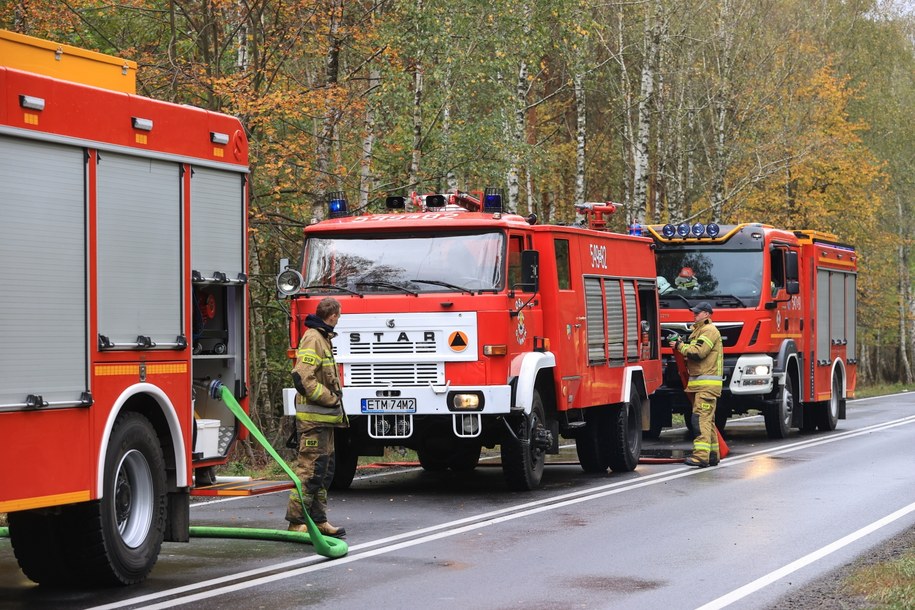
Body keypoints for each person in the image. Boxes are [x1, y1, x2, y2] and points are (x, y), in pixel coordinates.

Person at [286, 297, 348, 537]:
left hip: (325, 420)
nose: (338, 320)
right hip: (314, 420)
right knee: (310, 471)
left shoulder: (323, 337)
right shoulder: (314, 338)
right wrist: (330, 398)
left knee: (324, 471)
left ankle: (319, 520)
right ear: (332, 316)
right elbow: (302, 377)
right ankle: (296, 521)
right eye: (338, 316)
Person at [669, 301, 723, 467]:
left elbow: (698, 353)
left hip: (706, 386)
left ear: (707, 314)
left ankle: (700, 457)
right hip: (703, 385)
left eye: (698, 313)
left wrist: (679, 346)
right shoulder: (699, 331)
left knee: (699, 420)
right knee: (708, 421)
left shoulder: (709, 330)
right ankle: (712, 455)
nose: (695, 315)